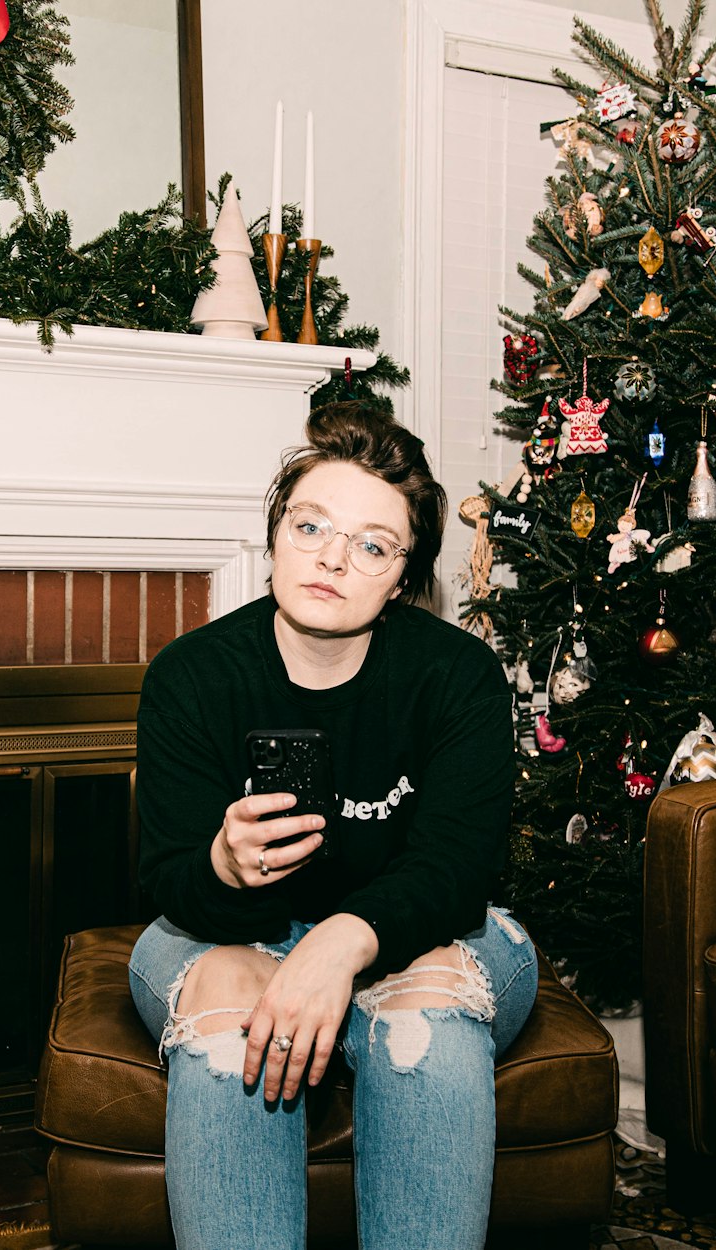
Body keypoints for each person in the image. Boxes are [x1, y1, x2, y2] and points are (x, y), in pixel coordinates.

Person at [128, 403, 538, 1250]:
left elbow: (458, 869)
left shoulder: (455, 675)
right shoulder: (191, 676)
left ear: (403, 577)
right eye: (310, 524)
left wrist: (342, 940)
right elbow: (168, 878)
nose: (331, 557)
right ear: (276, 533)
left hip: (422, 932)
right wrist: (225, 866)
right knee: (231, 1026)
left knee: (424, 1033)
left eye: (373, 544)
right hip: (227, 934)